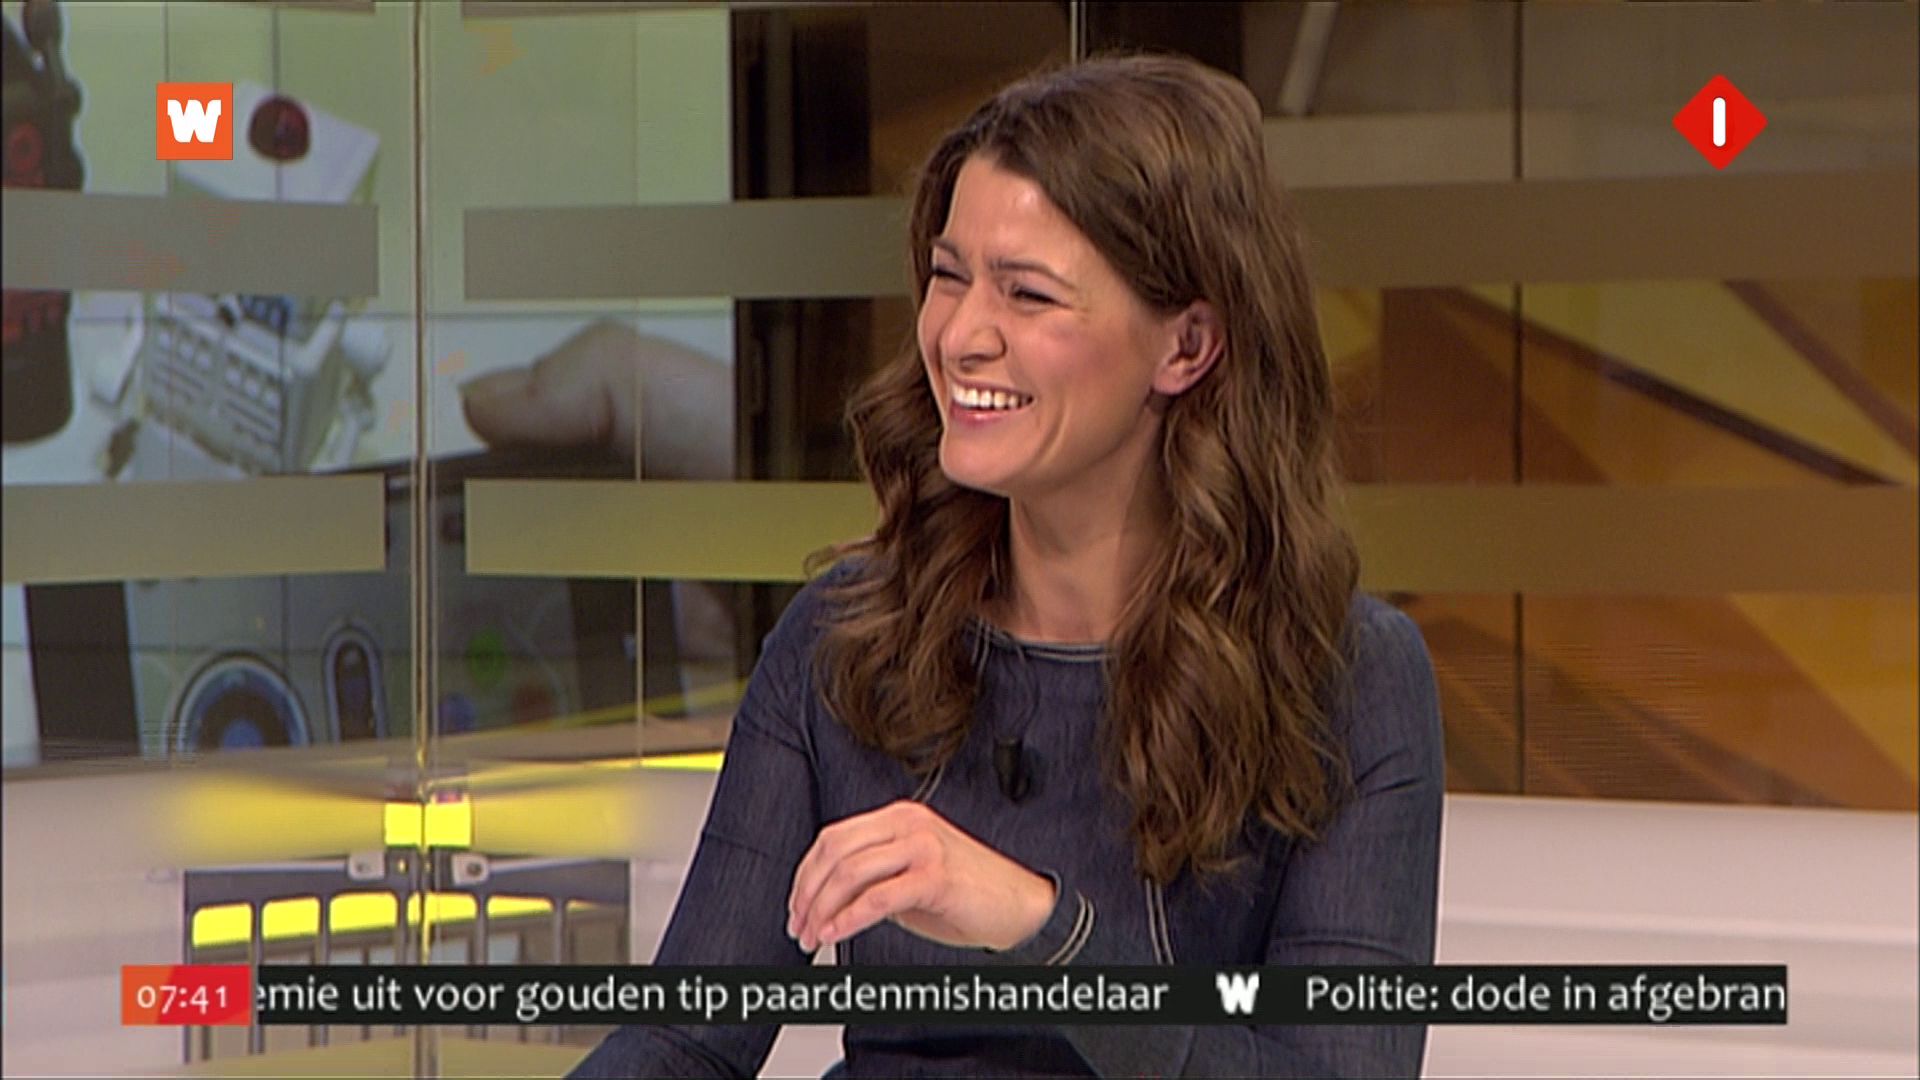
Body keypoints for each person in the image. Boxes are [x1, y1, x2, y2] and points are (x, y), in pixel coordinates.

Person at [569, 52, 1444, 1079]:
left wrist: (1038, 928)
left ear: (1186, 346)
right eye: (950, 277)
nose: (958, 337)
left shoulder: (1344, 677)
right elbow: (682, 1041)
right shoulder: (847, 638)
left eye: (1027, 294)